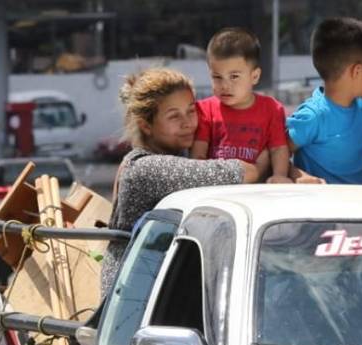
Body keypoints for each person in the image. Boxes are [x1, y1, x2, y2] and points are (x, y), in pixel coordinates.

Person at [101, 68, 259, 296]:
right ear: (146, 124)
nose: (188, 123)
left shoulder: (176, 157)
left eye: (191, 111)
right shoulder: (146, 168)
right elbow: (243, 172)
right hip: (131, 301)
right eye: (174, 116)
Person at [285, 17, 362, 185]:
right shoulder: (313, 116)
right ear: (357, 71)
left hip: (361, 207)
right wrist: (298, 175)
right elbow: (276, 153)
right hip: (322, 209)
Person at [191, 28, 291, 183]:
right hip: (216, 189)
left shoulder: (272, 109)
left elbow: (278, 149)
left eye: (234, 77)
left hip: (255, 192)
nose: (225, 85)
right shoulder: (204, 110)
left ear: (255, 76)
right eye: (217, 77)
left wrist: (280, 176)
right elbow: (198, 157)